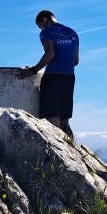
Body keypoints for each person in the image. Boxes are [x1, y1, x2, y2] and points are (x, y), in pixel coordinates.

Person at [17, 10, 79, 140]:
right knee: (64, 121)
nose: (40, 28)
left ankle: (59, 156)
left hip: (53, 78)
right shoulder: (73, 33)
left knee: (52, 120)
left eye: (40, 26)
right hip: (69, 79)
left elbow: (50, 54)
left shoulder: (46, 33)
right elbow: (75, 61)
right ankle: (73, 152)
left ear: (44, 20)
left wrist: (34, 70)